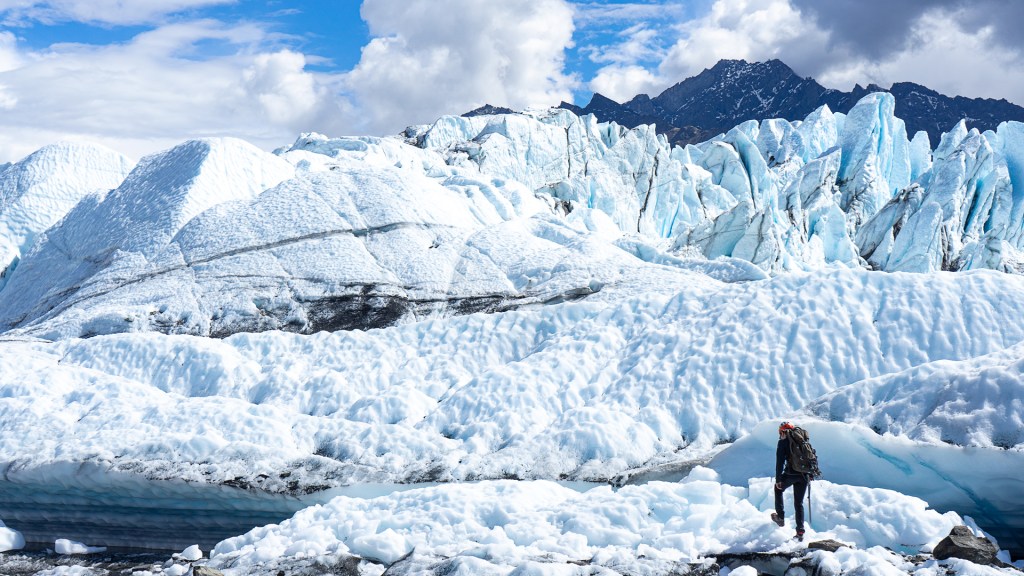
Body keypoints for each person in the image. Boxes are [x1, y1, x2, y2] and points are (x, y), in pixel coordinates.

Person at [771, 421, 807, 541]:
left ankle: (780, 517)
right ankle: (800, 531)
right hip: (804, 475)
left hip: (791, 474)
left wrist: (778, 479)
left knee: (778, 489)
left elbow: (779, 462)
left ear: (782, 432)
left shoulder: (783, 442)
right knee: (799, 503)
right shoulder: (801, 440)